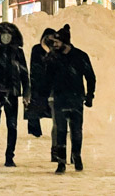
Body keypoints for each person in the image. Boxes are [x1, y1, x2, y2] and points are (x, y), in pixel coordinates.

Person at [44, 24, 96, 174]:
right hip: (60, 98)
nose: (54, 45)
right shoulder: (53, 58)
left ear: (65, 42)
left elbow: (90, 77)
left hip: (76, 98)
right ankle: (61, 162)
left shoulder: (80, 56)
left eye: (57, 42)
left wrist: (90, 95)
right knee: (60, 130)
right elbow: (47, 79)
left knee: (76, 130)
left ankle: (76, 156)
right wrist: (45, 96)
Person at [0, 21, 30, 167]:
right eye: (3, 35)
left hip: (12, 92)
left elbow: (24, 73)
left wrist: (26, 91)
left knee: (12, 125)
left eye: (8, 35)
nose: (6, 38)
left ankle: (9, 156)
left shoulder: (17, 52)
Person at [25, 27, 56, 138]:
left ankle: (60, 128)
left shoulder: (56, 50)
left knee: (56, 108)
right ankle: (34, 132)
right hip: (38, 83)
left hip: (53, 83)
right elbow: (34, 67)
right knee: (35, 107)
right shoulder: (37, 49)